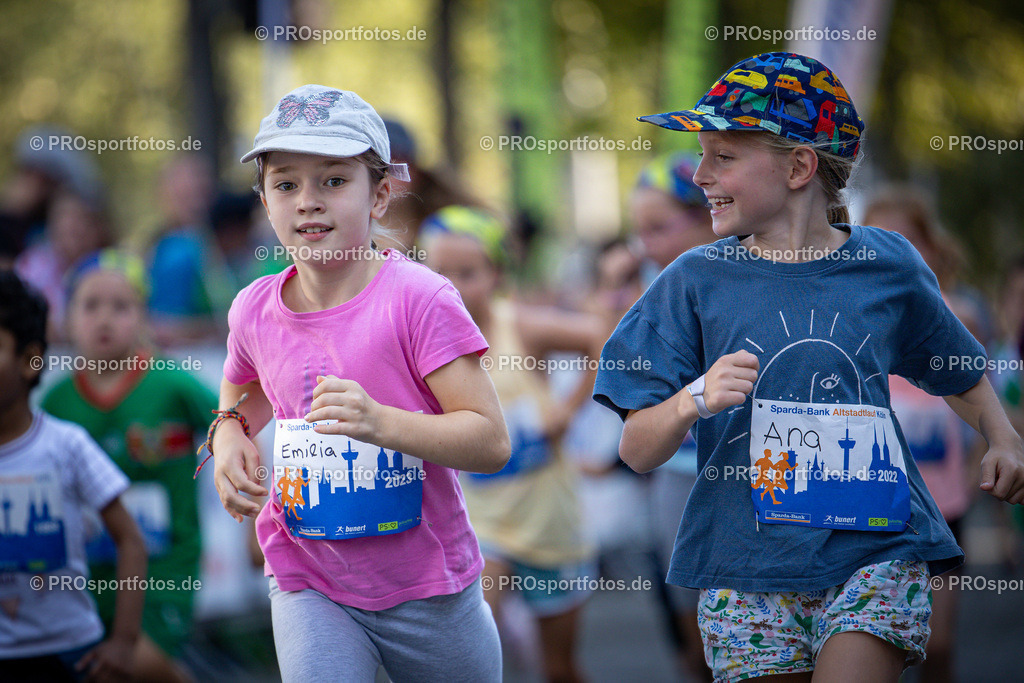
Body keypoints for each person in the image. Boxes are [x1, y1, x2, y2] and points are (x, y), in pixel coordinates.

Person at [593, 52, 1024, 681]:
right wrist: (694, 398)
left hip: (876, 549)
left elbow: (955, 368)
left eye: (723, 156)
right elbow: (636, 450)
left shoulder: (888, 265)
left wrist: (1003, 436)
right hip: (746, 568)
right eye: (702, 156)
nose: (701, 175)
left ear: (799, 166)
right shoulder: (692, 281)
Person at [207, 85, 509, 682]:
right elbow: (244, 391)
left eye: (334, 181)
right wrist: (227, 435)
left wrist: (381, 423)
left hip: (428, 589)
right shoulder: (253, 309)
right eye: (286, 185)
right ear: (263, 201)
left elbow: (490, 442)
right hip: (308, 577)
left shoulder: (421, 299)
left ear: (380, 195)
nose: (308, 202)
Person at [421, 206, 601, 683]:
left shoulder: (518, 325)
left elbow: (601, 340)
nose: (452, 286)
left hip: (548, 521)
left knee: (558, 669)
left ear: (496, 275)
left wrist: (568, 410)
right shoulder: (420, 336)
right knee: (470, 659)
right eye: (440, 272)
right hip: (481, 523)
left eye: (468, 273)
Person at [41, 250, 216, 682]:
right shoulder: (56, 403)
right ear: (66, 318)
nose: (104, 319)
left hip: (165, 568)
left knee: (137, 665)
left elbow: (234, 421)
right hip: (85, 573)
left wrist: (255, 510)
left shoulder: (172, 383)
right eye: (90, 305)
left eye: (120, 306)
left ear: (142, 316)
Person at [862, 188, 987, 682]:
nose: (891, 252)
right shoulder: (861, 318)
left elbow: (979, 395)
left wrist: (982, 460)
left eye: (907, 241)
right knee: (878, 636)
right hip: (878, 501)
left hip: (943, 499)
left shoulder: (957, 314)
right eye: (878, 240)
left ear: (931, 249)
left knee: (938, 644)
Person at [0, 269, 147, 681]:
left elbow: (130, 540)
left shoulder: (65, 445)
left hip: (72, 655)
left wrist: (124, 642)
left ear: (29, 360)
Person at [630, 152, 717, 681]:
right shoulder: (647, 286)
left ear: (709, 213)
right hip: (677, 470)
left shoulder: (754, 276)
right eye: (639, 232)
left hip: (757, 470)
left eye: (659, 228)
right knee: (689, 612)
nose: (645, 245)